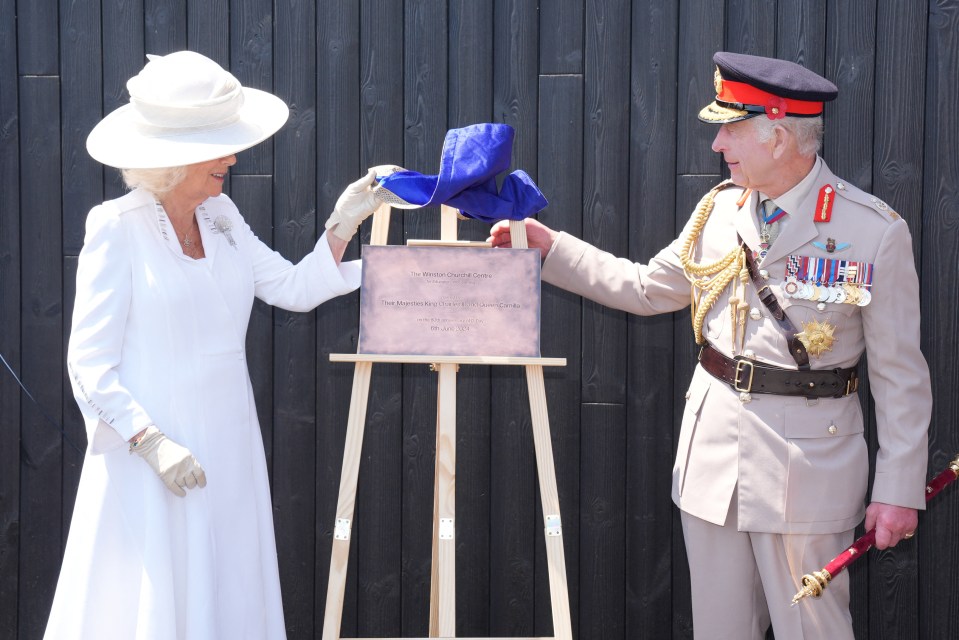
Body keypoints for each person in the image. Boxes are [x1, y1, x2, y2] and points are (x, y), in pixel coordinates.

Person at [490, 51, 931, 639]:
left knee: (814, 631)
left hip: (808, 473)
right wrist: (553, 250)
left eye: (731, 128)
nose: (720, 144)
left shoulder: (871, 232)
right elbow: (648, 288)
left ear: (777, 136)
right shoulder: (720, 211)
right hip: (714, 464)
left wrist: (899, 489)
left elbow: (900, 376)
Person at [45, 51, 385, 639]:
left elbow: (292, 286)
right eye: (218, 145)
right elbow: (88, 363)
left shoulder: (222, 215)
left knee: (227, 592)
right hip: (154, 457)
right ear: (171, 159)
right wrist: (148, 442)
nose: (232, 157)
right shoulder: (115, 227)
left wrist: (343, 225)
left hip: (229, 447)